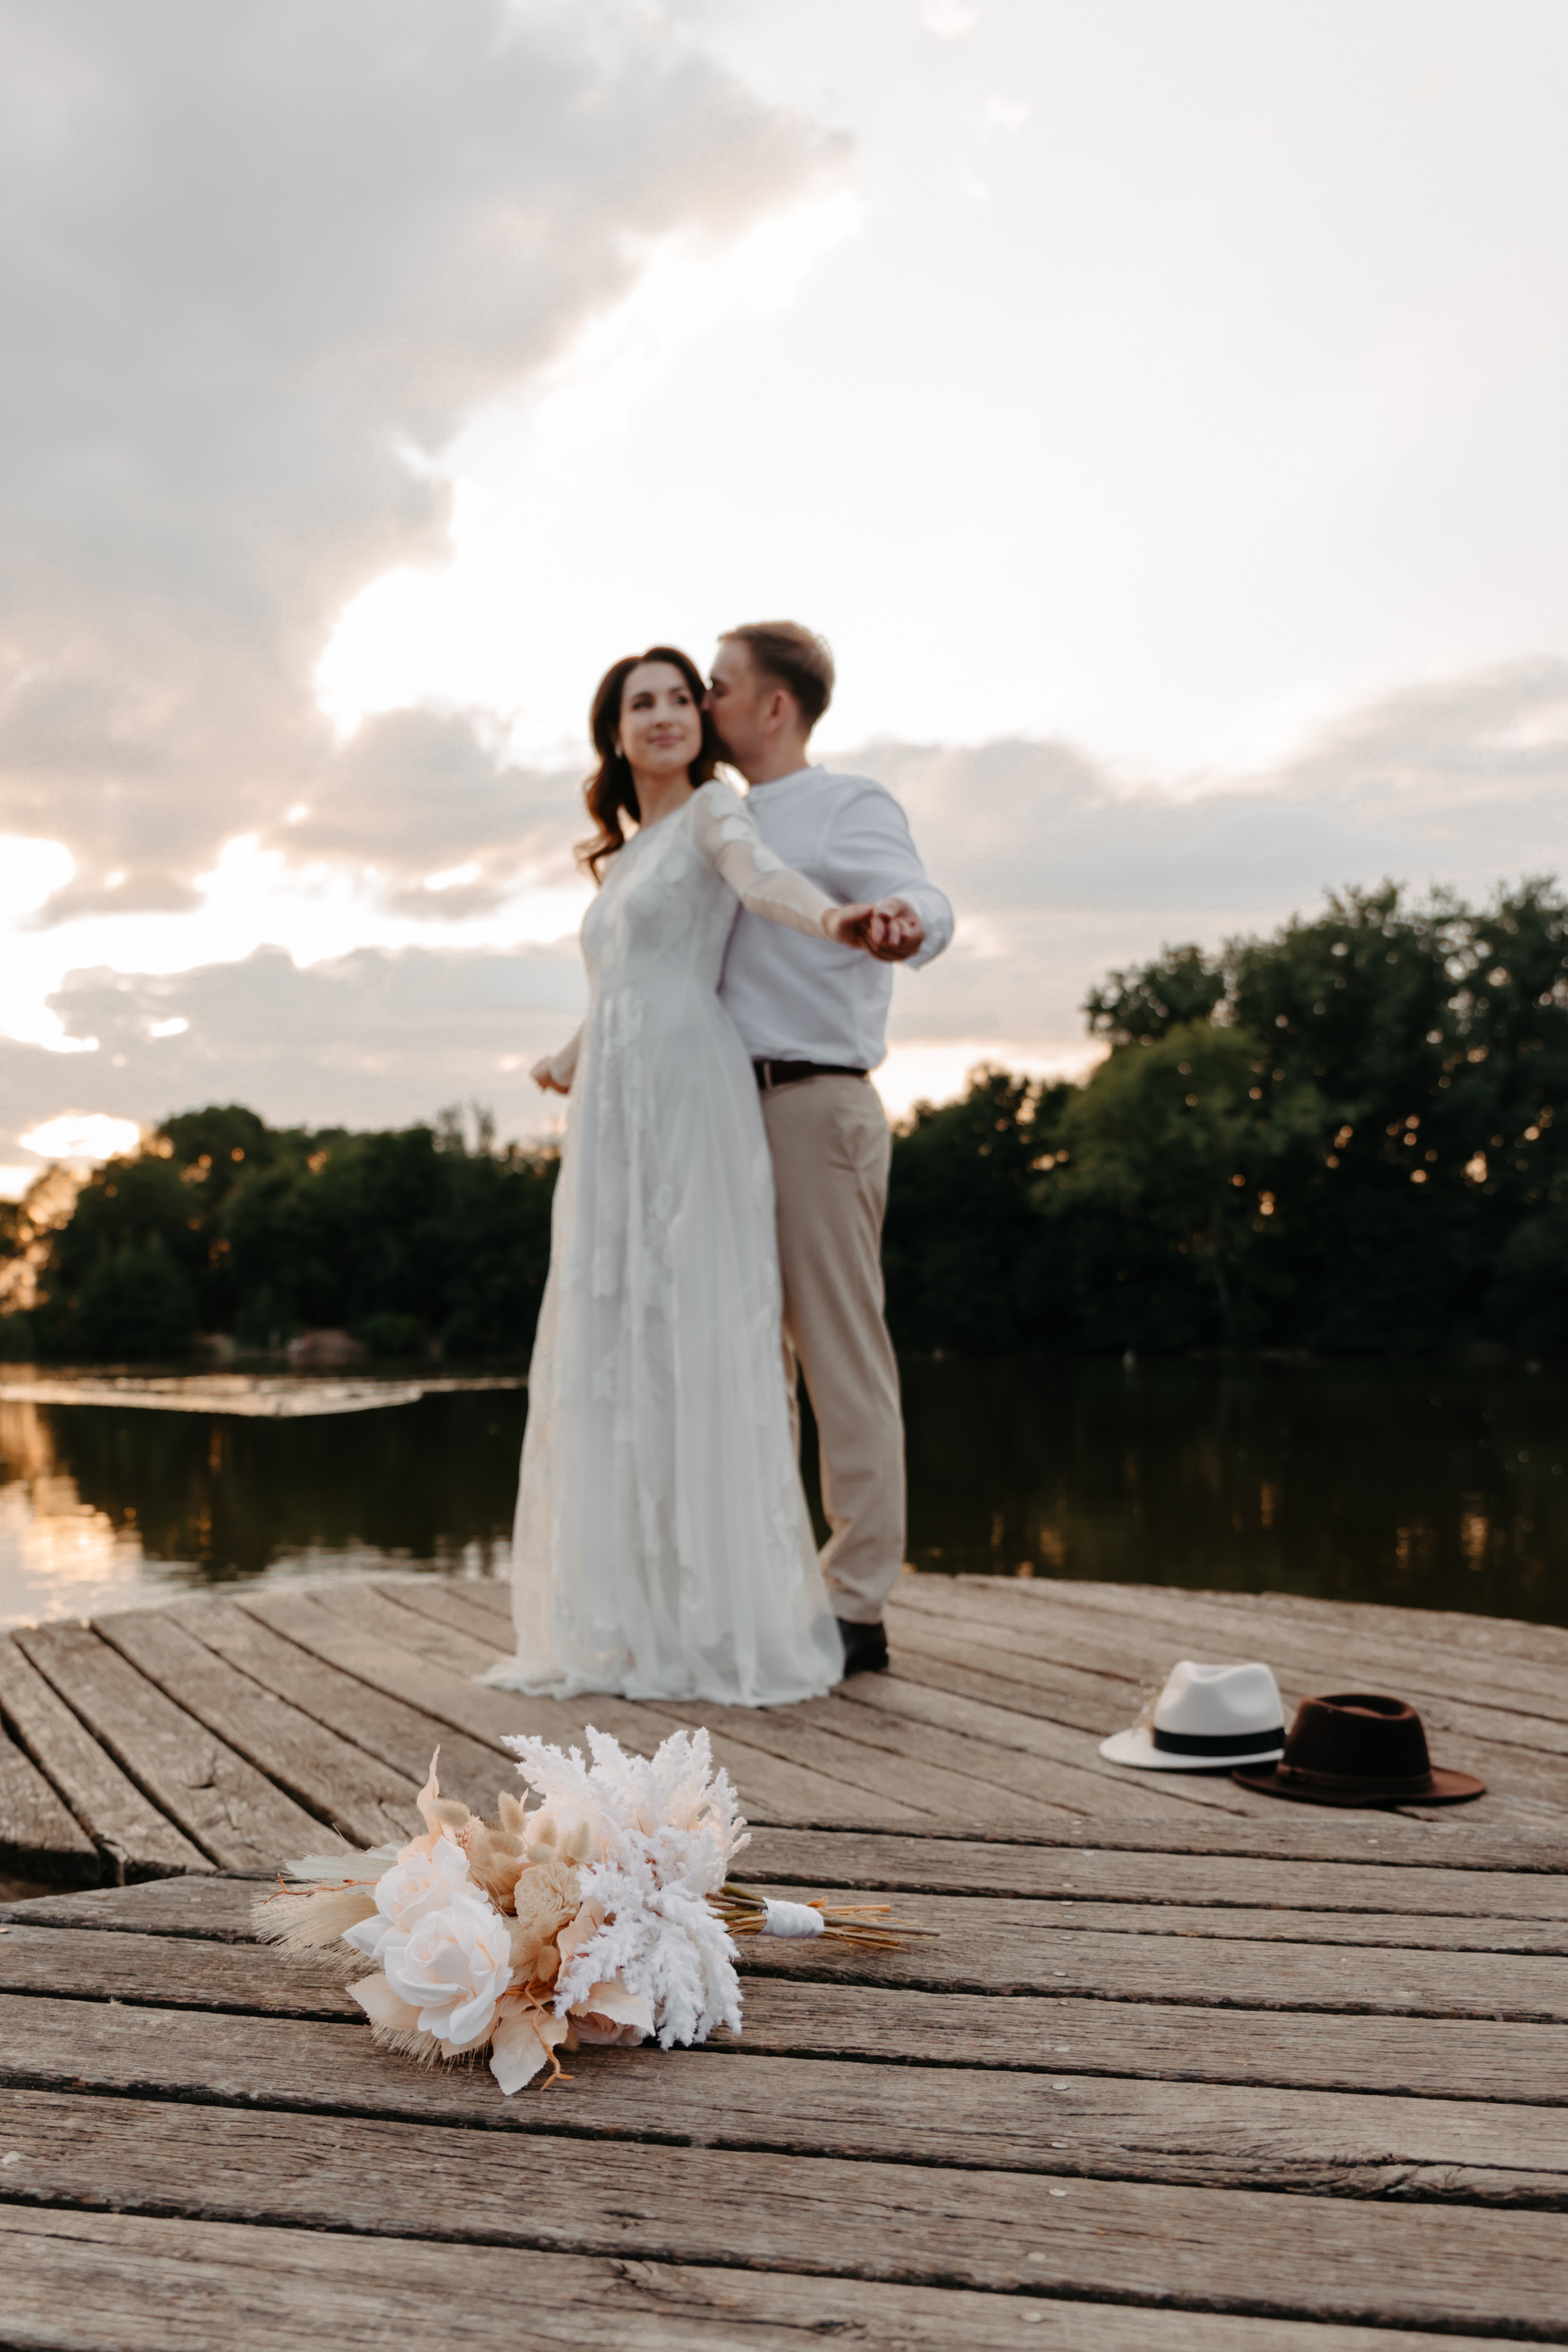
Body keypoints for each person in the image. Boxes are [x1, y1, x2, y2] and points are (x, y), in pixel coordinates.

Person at [483, 646, 894, 1707]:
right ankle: (642, 1608)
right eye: (641, 703)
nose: (666, 714)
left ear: (703, 726)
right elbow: (622, 977)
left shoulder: (716, 815)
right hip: (619, 1110)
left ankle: (732, 1608)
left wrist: (842, 918)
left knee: (699, 1329)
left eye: (680, 698)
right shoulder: (622, 857)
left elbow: (767, 886)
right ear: (613, 735)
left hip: (690, 1094)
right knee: (623, 1335)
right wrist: (569, 1058)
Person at [706, 623, 952, 1676]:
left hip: (815, 1103)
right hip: (714, 1116)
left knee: (839, 1356)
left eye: (718, 688)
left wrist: (902, 919)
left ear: (775, 707)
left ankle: (854, 1603)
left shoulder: (845, 803)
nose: (702, 703)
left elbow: (924, 900)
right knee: (740, 1359)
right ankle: (765, 1582)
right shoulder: (712, 820)